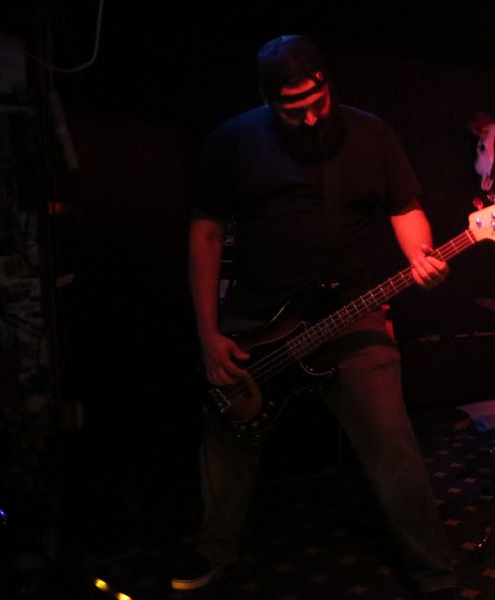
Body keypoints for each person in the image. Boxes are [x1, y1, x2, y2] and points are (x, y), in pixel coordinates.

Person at [173, 35, 456, 599]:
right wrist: (208, 334)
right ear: (267, 99)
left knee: (391, 442)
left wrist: (421, 258)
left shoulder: (372, 134)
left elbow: (406, 209)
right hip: (259, 315)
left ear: (328, 83)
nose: (309, 119)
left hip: (353, 314)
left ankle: (434, 574)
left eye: (317, 102)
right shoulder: (233, 141)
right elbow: (205, 233)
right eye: (292, 109)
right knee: (227, 436)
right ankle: (214, 551)